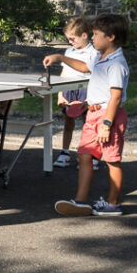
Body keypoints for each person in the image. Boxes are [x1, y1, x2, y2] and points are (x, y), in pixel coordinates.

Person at [47, 14, 129, 217]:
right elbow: (84, 67)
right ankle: (80, 201)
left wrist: (107, 124)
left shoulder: (116, 64)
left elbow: (116, 97)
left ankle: (113, 204)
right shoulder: (100, 58)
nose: (93, 38)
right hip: (93, 114)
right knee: (84, 155)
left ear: (110, 37)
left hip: (109, 116)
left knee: (112, 160)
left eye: (96, 34)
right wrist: (61, 58)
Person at [53, 16, 98, 169]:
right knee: (68, 123)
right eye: (68, 39)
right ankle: (65, 153)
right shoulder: (68, 51)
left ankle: (90, 155)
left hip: (86, 90)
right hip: (68, 90)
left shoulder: (93, 52)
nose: (70, 42)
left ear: (84, 35)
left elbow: (94, 75)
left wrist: (90, 99)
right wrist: (60, 93)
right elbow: (64, 72)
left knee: (89, 124)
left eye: (72, 39)